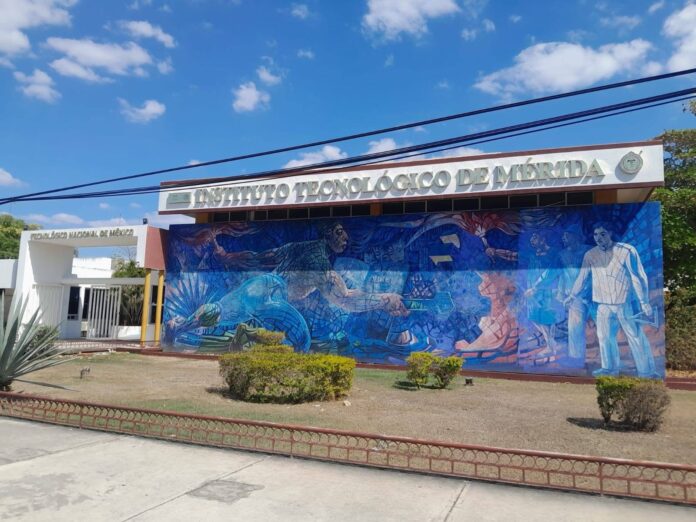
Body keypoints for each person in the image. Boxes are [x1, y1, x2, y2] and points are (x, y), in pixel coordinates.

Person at [167, 222, 408, 350]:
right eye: (338, 232)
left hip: (257, 286)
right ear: (326, 235)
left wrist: (229, 257)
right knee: (302, 342)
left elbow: (260, 258)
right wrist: (385, 300)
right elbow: (345, 299)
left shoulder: (296, 247)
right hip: (274, 296)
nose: (345, 238)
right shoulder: (319, 263)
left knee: (217, 311)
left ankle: (178, 326)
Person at [565, 222, 659, 378]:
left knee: (635, 336)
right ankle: (609, 369)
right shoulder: (590, 255)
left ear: (610, 233)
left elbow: (638, 277)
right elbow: (582, 277)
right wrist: (572, 296)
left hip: (624, 303)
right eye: (596, 234)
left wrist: (644, 302)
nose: (598, 238)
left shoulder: (627, 251)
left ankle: (647, 372)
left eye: (602, 234)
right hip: (602, 304)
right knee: (604, 337)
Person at [523, 231, 563, 358]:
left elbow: (551, 273)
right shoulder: (534, 254)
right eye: (531, 237)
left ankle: (550, 347)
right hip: (533, 292)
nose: (532, 240)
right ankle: (552, 343)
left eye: (535, 237)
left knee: (547, 319)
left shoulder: (554, 253)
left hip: (547, 291)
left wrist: (535, 288)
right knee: (534, 317)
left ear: (543, 239)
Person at [557, 227, 591, 365]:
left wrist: (589, 289)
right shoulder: (562, 254)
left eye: (566, 235)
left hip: (591, 293)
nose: (563, 238)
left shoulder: (589, 251)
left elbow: (592, 273)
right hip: (573, 296)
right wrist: (560, 293)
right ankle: (576, 358)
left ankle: (606, 360)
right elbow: (563, 274)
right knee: (574, 326)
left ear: (575, 235)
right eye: (563, 236)